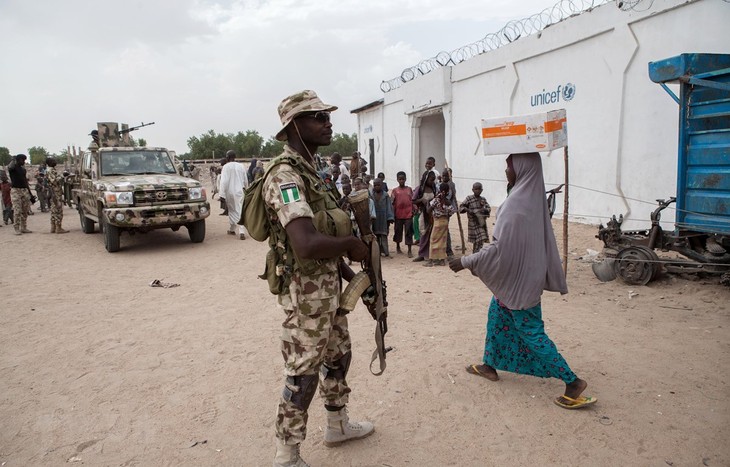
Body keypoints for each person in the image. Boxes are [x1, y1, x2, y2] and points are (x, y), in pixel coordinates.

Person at [261, 90, 373, 466]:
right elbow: (306, 243)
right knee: (303, 373)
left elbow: (325, 237)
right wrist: (352, 245)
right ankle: (286, 453)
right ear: (295, 125)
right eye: (318, 117)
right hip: (306, 296)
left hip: (329, 289)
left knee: (339, 355)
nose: (328, 123)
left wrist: (352, 274)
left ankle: (337, 425)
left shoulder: (313, 171)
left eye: (327, 116)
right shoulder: (285, 174)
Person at [449, 153, 596, 410]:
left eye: (510, 165)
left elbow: (500, 249)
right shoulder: (532, 198)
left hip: (520, 282)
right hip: (524, 276)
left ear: (522, 168)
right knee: (497, 317)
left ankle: (572, 382)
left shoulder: (516, 206)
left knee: (531, 332)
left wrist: (466, 262)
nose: (506, 170)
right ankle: (489, 365)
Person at [218, 150, 249, 239]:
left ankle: (237, 230)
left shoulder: (226, 167)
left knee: (232, 211)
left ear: (227, 157)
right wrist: (246, 189)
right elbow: (245, 179)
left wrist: (222, 195)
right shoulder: (241, 166)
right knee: (240, 210)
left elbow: (223, 182)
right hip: (240, 191)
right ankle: (237, 230)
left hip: (230, 192)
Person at [425, 182, 455, 266]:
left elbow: (428, 210)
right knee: (443, 241)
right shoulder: (447, 201)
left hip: (437, 221)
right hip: (445, 222)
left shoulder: (436, 200)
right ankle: (441, 260)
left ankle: (431, 260)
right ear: (448, 191)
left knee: (433, 240)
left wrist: (427, 203)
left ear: (440, 190)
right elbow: (452, 211)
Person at [411, 170, 436, 262]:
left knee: (432, 234)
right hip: (423, 213)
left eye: (433, 180)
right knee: (424, 233)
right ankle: (422, 254)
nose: (432, 182)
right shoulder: (420, 189)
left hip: (432, 214)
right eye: (431, 180)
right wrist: (421, 199)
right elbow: (413, 200)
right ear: (426, 179)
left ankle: (430, 254)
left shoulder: (434, 188)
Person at [459, 182, 491, 253]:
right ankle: (475, 255)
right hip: (473, 224)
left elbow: (488, 208)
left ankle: (476, 255)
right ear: (472, 190)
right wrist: (468, 210)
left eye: (479, 189)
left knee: (481, 240)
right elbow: (461, 207)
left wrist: (484, 210)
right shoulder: (469, 198)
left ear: (482, 190)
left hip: (481, 223)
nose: (477, 191)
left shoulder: (483, 199)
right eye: (476, 189)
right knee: (478, 240)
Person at [7, 154, 34, 235]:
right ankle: (16, 228)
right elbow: (10, 167)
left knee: (25, 210)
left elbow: (25, 182)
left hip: (24, 190)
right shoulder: (13, 168)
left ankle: (23, 227)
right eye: (23, 160)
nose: (24, 162)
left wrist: (30, 194)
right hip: (16, 190)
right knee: (17, 210)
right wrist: (13, 159)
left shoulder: (23, 170)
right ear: (18, 160)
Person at [390, 171, 414, 257]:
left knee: (409, 231)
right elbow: (392, 203)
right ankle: (398, 246)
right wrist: (392, 215)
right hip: (398, 215)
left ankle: (409, 250)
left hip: (408, 214)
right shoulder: (395, 191)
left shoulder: (409, 189)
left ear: (405, 179)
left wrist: (414, 210)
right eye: (400, 179)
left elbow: (413, 200)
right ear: (397, 180)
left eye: (403, 179)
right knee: (398, 231)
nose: (401, 181)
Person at [45, 157, 69, 234]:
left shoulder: (51, 170)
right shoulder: (50, 170)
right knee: (58, 210)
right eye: (53, 161)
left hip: (54, 192)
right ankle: (58, 228)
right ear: (49, 162)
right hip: (55, 192)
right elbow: (54, 181)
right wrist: (63, 175)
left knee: (53, 210)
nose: (55, 161)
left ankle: (53, 227)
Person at [371, 178, 394, 257]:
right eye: (375, 185)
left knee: (384, 235)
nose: (376, 187)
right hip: (374, 218)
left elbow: (389, 207)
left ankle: (386, 251)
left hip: (383, 218)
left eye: (378, 185)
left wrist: (390, 218)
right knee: (375, 235)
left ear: (382, 185)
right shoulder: (371, 195)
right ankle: (377, 251)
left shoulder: (385, 195)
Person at [441, 168, 457, 259]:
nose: (444, 177)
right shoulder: (442, 184)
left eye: (446, 176)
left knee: (445, 230)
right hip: (441, 210)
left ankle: (448, 250)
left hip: (447, 210)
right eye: (443, 176)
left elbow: (448, 199)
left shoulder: (451, 185)